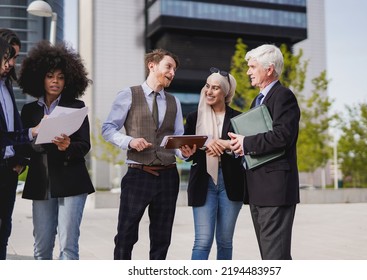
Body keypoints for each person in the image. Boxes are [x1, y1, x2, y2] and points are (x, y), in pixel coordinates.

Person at [102, 48, 184, 260]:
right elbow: (108, 128)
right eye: (169, 67)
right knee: (126, 235)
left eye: (174, 69)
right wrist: (129, 141)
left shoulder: (175, 102)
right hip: (139, 174)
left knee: (162, 239)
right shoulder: (129, 94)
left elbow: (177, 139)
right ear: (152, 65)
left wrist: (184, 152)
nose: (172, 73)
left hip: (168, 176)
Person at [17, 40, 95, 260]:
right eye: (50, 76)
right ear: (40, 77)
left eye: (61, 77)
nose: (55, 81)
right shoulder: (29, 110)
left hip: (72, 181)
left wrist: (68, 146)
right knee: (41, 248)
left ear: (68, 80)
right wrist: (39, 135)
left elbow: (84, 145)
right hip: (41, 181)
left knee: (68, 248)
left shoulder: (76, 107)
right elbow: (24, 144)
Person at [229, 44, 300, 260]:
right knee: (270, 257)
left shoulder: (283, 96)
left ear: (269, 69)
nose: (248, 71)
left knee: (274, 258)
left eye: (252, 66)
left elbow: (282, 137)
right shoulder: (257, 100)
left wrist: (246, 142)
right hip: (259, 190)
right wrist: (240, 147)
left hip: (275, 191)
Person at [180, 68, 245, 260]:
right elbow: (187, 152)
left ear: (225, 92)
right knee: (202, 240)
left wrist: (225, 146)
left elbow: (245, 150)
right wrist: (188, 152)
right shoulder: (194, 117)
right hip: (203, 182)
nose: (209, 91)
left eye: (215, 88)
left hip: (231, 183)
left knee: (225, 242)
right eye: (207, 86)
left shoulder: (238, 118)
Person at [0, 30, 39, 260]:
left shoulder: (7, 87)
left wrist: (19, 162)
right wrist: (30, 133)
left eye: (15, 57)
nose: (12, 63)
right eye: (9, 56)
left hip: (8, 171)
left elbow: (11, 125)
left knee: (4, 230)